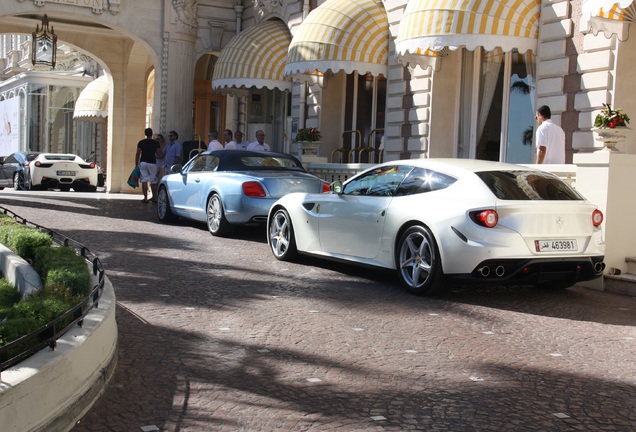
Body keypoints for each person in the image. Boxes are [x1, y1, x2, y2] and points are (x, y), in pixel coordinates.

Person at [135, 127, 161, 203]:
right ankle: (154, 197)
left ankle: (145, 198)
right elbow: (158, 154)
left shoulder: (141, 142)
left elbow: (138, 153)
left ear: (145, 134)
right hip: (152, 162)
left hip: (143, 162)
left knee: (144, 180)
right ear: (152, 134)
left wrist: (136, 164)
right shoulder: (155, 143)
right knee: (154, 181)